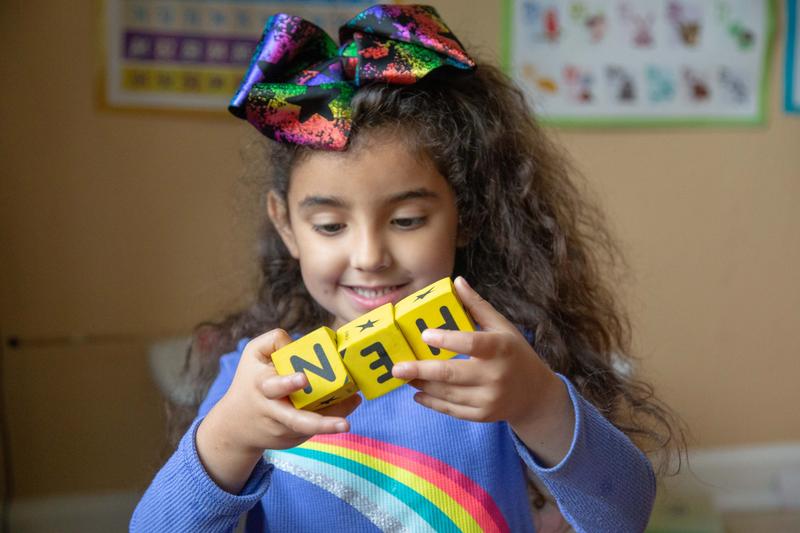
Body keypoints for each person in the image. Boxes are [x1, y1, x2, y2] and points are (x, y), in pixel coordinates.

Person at [132, 5, 685, 532]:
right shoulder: (254, 383)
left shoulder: (502, 362)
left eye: (408, 219)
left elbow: (624, 517)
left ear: (464, 215)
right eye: (330, 226)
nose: (370, 256)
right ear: (285, 227)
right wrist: (230, 437)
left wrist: (540, 403)